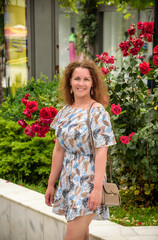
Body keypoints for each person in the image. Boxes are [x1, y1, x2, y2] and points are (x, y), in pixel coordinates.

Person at [45, 59, 116, 240]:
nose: (81, 83)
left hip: (88, 182)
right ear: (69, 81)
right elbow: (59, 150)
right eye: (77, 78)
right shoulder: (64, 112)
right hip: (69, 181)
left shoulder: (97, 112)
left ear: (93, 84)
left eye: (86, 79)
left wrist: (97, 189)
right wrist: (51, 184)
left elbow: (102, 151)